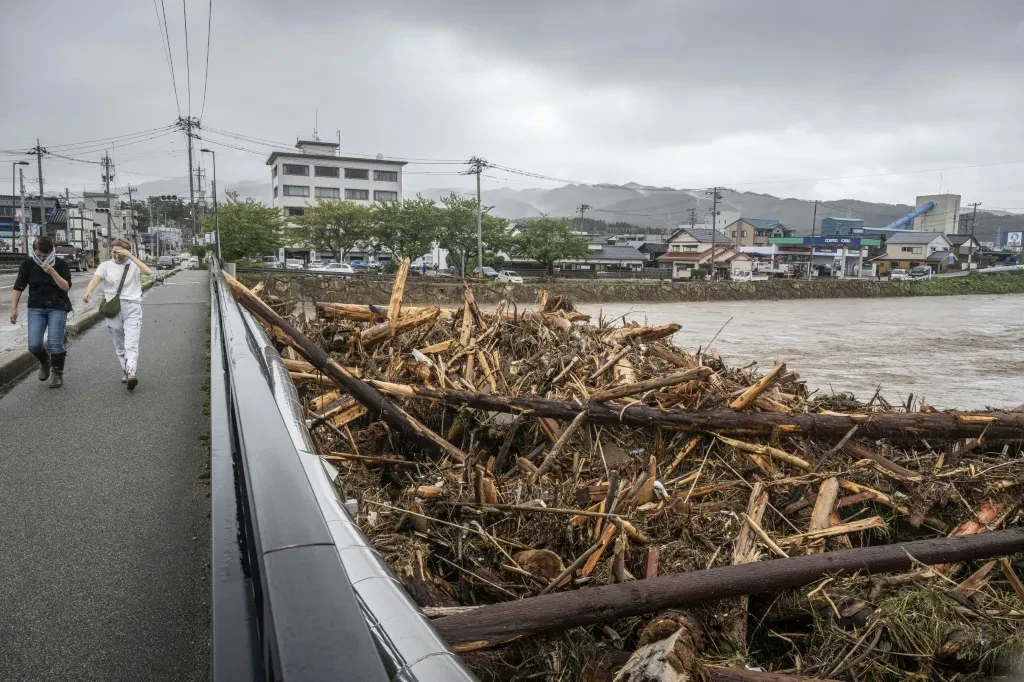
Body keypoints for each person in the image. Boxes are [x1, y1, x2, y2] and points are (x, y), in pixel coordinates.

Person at [82, 239, 152, 391]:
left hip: (132, 307)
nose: (117, 256)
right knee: (120, 346)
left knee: (131, 344)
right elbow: (96, 279)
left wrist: (131, 256)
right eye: (114, 252)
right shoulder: (105, 265)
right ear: (110, 251)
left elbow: (148, 272)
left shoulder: (133, 264)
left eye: (121, 253)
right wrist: (89, 291)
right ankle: (126, 371)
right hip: (113, 308)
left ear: (127, 252)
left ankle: (131, 374)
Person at [9, 236, 73, 388]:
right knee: (34, 345)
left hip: (57, 305)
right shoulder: (28, 264)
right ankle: (45, 361)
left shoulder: (60, 263)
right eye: (39, 254)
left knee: (55, 343)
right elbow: (18, 286)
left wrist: (52, 272)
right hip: (36, 307)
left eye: (45, 255)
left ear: (51, 251)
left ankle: (57, 373)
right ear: (34, 251)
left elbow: (66, 287)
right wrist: (13, 309)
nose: (42, 257)